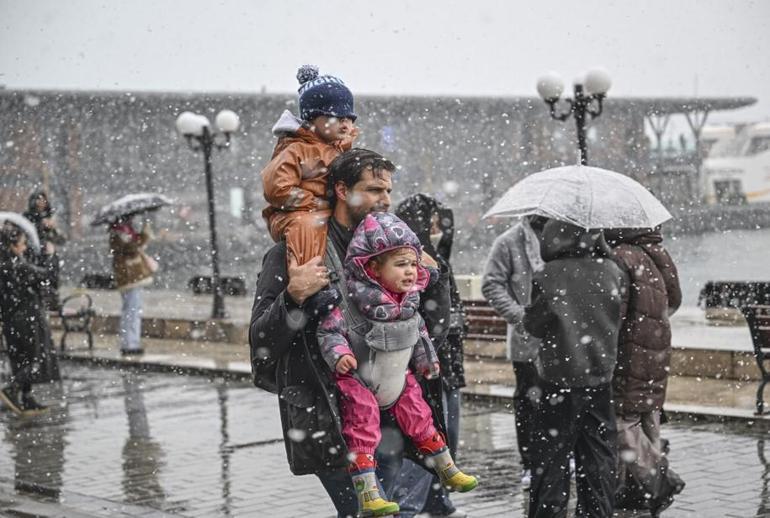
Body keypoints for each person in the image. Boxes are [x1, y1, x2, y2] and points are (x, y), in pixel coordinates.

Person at [249, 148, 452, 517]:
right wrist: (294, 297)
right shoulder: (295, 251)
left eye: (388, 191)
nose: (386, 200)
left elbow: (432, 328)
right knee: (364, 510)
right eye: (374, 190)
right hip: (326, 413)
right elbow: (261, 341)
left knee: (379, 509)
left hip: (387, 411)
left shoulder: (392, 250)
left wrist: (436, 280)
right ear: (342, 190)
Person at [317, 212, 477, 516]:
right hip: (360, 379)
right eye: (401, 265)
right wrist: (339, 354)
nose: (411, 272)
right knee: (361, 428)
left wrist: (426, 360)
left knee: (420, 413)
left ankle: (445, 468)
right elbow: (329, 328)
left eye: (414, 265)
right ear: (372, 268)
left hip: (397, 377)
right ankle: (368, 492)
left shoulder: (409, 300)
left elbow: (419, 333)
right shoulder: (352, 299)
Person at [523, 219, 628, 518]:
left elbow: (535, 324)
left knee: (551, 460)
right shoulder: (611, 271)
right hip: (599, 379)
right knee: (598, 459)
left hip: (558, 380)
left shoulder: (548, 275)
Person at [393, 194, 468, 517]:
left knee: (446, 435)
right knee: (432, 437)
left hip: (446, 361)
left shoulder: (433, 254)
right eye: (433, 220)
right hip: (431, 363)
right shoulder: (414, 259)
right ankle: (410, 506)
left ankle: (437, 501)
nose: (439, 226)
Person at [260, 65, 357, 313]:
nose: (345, 124)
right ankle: (311, 284)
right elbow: (276, 187)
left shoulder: (336, 148)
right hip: (294, 213)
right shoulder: (296, 150)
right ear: (314, 119)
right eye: (338, 117)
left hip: (324, 210)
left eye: (349, 118)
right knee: (308, 227)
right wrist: (311, 201)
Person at [605, 228, 685, 516]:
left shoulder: (618, 258)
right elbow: (675, 300)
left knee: (622, 422)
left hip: (630, 354)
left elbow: (615, 315)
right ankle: (639, 494)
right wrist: (651, 326)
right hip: (656, 350)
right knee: (648, 419)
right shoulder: (657, 253)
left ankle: (660, 480)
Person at [481, 215, 547, 491]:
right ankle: (531, 463)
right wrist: (520, 316)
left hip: (563, 339)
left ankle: (556, 457)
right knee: (529, 402)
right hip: (527, 339)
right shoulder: (509, 242)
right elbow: (491, 283)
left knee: (560, 401)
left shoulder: (567, 238)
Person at [0, 222, 59, 415]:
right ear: (12, 246)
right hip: (26, 320)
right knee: (35, 359)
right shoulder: (18, 266)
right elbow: (48, 276)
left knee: (20, 360)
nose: (25, 248)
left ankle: (26, 398)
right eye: (22, 244)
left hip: (11, 321)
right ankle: (13, 389)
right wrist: (51, 255)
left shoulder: (4, 265)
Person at [109, 215, 154, 356]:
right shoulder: (118, 233)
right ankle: (130, 343)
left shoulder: (124, 231)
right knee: (132, 311)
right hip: (129, 277)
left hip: (131, 277)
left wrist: (142, 235)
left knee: (132, 310)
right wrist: (142, 237)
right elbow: (131, 248)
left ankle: (130, 342)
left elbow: (134, 245)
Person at [23, 190, 66, 310]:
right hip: (34, 254)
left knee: (51, 275)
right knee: (37, 276)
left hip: (49, 254)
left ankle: (51, 298)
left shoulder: (50, 216)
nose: (41, 203)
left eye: (43, 200)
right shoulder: (28, 217)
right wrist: (41, 226)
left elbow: (61, 239)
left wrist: (53, 229)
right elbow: (27, 236)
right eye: (38, 200)